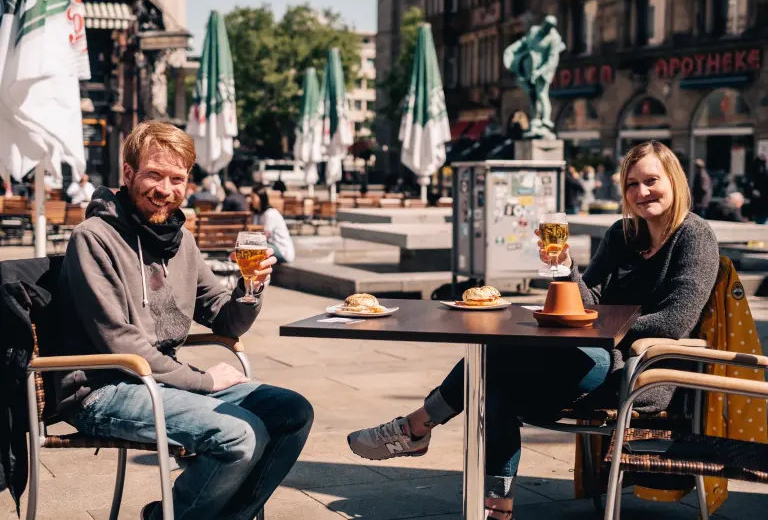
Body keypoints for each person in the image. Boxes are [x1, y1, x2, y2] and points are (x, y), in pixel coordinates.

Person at [346, 141, 720, 519]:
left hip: (642, 372)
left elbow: (674, 321)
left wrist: (600, 325)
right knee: (494, 379)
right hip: (587, 358)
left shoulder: (694, 237)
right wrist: (564, 267)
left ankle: (415, 427)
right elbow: (586, 301)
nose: (641, 192)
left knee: (496, 366)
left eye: (651, 181)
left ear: (673, 180)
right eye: (631, 184)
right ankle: (496, 508)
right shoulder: (622, 235)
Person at [54, 121, 313, 520]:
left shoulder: (180, 241)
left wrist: (250, 288)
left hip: (163, 382)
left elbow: (226, 321)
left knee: (292, 412)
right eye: (154, 175)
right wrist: (204, 381)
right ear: (128, 174)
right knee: (239, 435)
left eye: (177, 179)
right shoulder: (93, 238)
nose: (166, 190)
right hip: (104, 388)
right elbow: (120, 343)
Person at [250, 187, 295, 263]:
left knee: (252, 248)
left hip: (282, 250)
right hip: (270, 246)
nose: (250, 200)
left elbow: (264, 236)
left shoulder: (270, 214)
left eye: (253, 197)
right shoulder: (258, 214)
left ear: (261, 198)